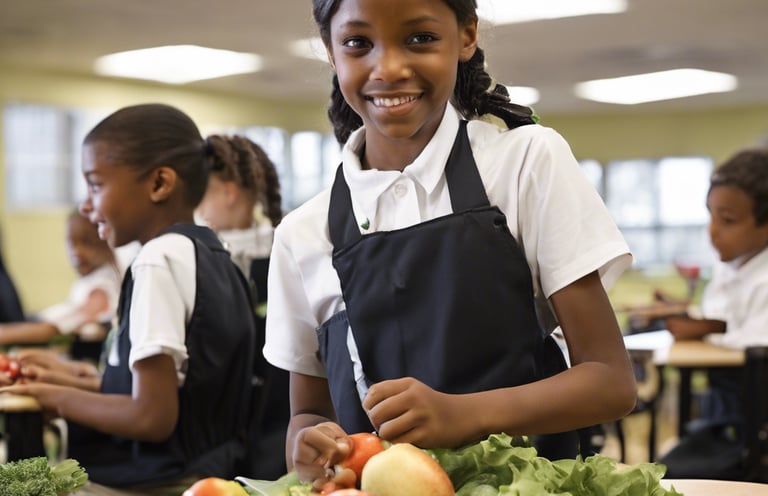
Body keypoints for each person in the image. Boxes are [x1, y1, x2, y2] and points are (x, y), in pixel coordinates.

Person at [263, 0, 636, 487]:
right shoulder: (303, 233)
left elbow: (609, 382)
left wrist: (464, 414)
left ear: (465, 37)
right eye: (358, 43)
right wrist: (309, 444)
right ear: (332, 53)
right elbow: (308, 414)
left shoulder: (524, 164)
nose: (389, 67)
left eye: (419, 38)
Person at [0, 103, 258, 495]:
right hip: (205, 476)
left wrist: (48, 396)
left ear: (159, 184)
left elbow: (151, 417)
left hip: (149, 484)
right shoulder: (213, 254)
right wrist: (69, 379)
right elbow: (181, 392)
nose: (86, 204)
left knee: (12, 484)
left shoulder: (156, 260)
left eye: (96, 185)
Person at [659, 147, 768, 480]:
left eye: (728, 221)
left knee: (676, 475)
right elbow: (718, 318)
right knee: (663, 467)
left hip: (757, 426)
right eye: (711, 215)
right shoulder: (728, 270)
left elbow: (755, 344)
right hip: (723, 420)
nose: (712, 231)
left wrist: (706, 331)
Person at [197, 134, 290, 479]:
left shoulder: (278, 246)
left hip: (271, 420)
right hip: (239, 425)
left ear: (228, 191)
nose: (198, 209)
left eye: (200, 195)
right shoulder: (203, 251)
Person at [0, 209, 121, 360]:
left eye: (87, 242)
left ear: (105, 240)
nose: (76, 252)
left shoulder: (101, 286)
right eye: (71, 243)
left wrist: (6, 333)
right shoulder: (89, 280)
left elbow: (64, 325)